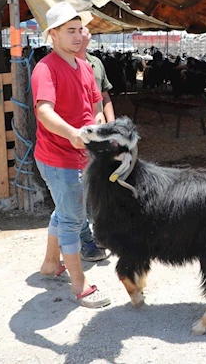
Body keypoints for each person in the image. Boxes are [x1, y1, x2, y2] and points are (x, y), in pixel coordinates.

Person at [32, 2, 110, 309]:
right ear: (53, 34)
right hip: (57, 155)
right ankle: (80, 285)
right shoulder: (45, 68)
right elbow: (43, 110)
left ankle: (51, 264)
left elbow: (96, 103)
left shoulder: (85, 66)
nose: (78, 36)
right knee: (72, 217)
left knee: (66, 210)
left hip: (80, 154)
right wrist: (73, 133)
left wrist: (98, 123)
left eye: (80, 30)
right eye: (70, 31)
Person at [72, 26, 114, 262]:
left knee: (101, 183)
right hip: (76, 135)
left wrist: (113, 124)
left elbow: (104, 95)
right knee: (79, 187)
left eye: (84, 29)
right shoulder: (66, 62)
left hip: (98, 132)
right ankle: (83, 237)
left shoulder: (96, 63)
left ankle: (100, 232)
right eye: (78, 30)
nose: (84, 33)